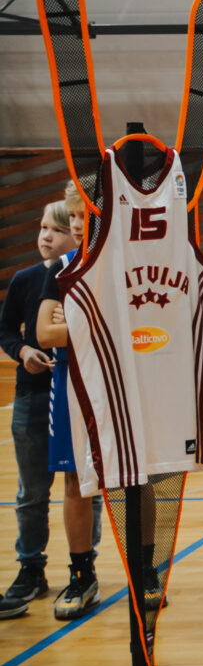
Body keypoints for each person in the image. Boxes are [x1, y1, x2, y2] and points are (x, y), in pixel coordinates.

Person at [29, 198, 108, 620]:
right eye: (73, 216)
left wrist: (74, 320)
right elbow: (45, 333)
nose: (77, 224)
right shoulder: (61, 268)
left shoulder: (122, 262)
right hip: (71, 381)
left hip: (118, 380)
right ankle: (82, 574)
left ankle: (145, 570)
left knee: (136, 478)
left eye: (84, 216)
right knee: (75, 480)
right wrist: (99, 323)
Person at [1, 199, 79, 618]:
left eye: (57, 229)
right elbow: (5, 329)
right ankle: (31, 567)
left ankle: (82, 565)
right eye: (44, 227)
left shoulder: (82, 275)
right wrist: (23, 349)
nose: (46, 236)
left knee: (81, 487)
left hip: (76, 393)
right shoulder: (25, 279)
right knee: (32, 492)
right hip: (32, 396)